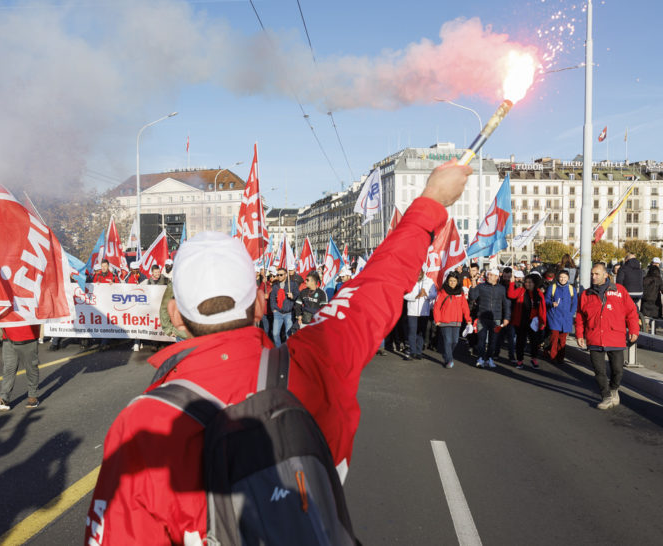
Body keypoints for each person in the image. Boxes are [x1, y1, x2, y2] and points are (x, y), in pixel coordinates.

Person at [84, 160, 472, 545]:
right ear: (259, 303)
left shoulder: (143, 424)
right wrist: (431, 200)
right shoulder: (315, 361)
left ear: (175, 316)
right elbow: (377, 285)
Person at [575, 264, 640, 410]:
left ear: (606, 275)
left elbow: (631, 312)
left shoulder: (619, 290)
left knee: (618, 370)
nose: (593, 277)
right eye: (592, 274)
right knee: (599, 371)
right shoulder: (586, 294)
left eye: (597, 274)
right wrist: (579, 334)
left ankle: (614, 389)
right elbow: (580, 316)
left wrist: (634, 329)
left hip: (615, 336)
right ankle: (605, 396)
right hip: (594, 337)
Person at [0, 324, 43, 411]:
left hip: (28, 336)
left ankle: (33, 396)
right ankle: (3, 398)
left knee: (31, 368)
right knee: (8, 369)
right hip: (8, 337)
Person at [469, 269, 511, 368]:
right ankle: (480, 358)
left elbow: (506, 304)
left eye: (491, 275)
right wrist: (473, 282)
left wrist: (506, 318)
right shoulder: (481, 286)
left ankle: (489, 358)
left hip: (496, 318)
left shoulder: (501, 289)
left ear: (497, 277)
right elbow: (472, 296)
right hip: (482, 318)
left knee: (493, 341)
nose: (488, 276)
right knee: (481, 340)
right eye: (488, 274)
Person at [433, 271, 471, 368]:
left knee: (455, 341)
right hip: (444, 321)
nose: (452, 283)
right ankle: (449, 360)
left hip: (457, 321)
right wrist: (437, 319)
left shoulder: (460, 293)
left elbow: (465, 307)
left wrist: (468, 319)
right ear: (447, 281)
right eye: (450, 281)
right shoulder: (442, 292)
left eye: (454, 281)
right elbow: (437, 307)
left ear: (457, 282)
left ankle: (447, 354)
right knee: (448, 341)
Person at [512, 274, 547, 369]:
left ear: (535, 283)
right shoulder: (521, 291)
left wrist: (543, 321)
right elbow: (511, 294)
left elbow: (543, 308)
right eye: (526, 282)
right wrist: (512, 282)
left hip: (534, 321)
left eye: (530, 282)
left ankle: (534, 359)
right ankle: (520, 360)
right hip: (522, 320)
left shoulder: (539, 293)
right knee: (520, 341)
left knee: (535, 342)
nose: (527, 284)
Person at [544, 270, 578, 364]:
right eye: (561, 277)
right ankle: (553, 356)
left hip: (566, 318)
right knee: (554, 338)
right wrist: (551, 303)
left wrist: (570, 314)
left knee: (562, 340)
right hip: (554, 316)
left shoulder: (572, 289)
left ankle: (561, 357)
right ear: (558, 277)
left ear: (568, 278)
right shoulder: (552, 287)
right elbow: (546, 300)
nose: (562, 279)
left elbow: (574, 303)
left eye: (565, 277)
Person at [403, 270, 436, 360]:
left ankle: (418, 352)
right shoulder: (409, 280)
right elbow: (404, 294)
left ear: (423, 272)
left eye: (420, 273)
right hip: (412, 311)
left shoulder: (429, 281)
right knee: (412, 331)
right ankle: (412, 351)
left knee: (421, 332)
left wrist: (426, 295)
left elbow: (434, 294)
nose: (418, 275)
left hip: (423, 312)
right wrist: (415, 296)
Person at [269, 267, 299, 346]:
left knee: (288, 334)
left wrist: (292, 296)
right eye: (278, 275)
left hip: (288, 313)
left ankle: (287, 351)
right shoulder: (275, 286)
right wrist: (274, 309)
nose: (279, 276)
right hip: (278, 313)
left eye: (281, 275)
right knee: (275, 334)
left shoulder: (292, 284)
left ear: (286, 275)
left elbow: (298, 295)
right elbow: (272, 298)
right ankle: (279, 349)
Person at [640, 264, 663, 332]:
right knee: (654, 321)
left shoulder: (644, 279)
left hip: (645, 302)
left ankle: (645, 330)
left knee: (645, 320)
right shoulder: (659, 280)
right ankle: (653, 331)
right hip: (655, 303)